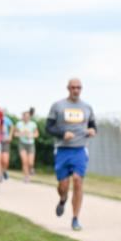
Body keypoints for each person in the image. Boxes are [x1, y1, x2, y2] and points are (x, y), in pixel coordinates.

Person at [46, 78, 96, 231]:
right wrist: (62, 134)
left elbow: (93, 126)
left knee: (78, 180)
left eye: (79, 88)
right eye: (73, 87)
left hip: (79, 149)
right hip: (62, 150)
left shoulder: (87, 107)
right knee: (63, 185)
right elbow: (48, 128)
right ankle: (62, 199)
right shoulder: (58, 106)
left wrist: (92, 131)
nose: (76, 90)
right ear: (68, 88)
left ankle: (75, 218)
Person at [13, 111, 38, 181]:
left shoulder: (33, 124)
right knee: (24, 161)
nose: (26, 118)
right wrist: (21, 134)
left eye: (28, 116)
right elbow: (15, 134)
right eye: (25, 116)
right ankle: (26, 177)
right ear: (23, 117)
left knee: (30, 162)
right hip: (22, 144)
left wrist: (31, 135)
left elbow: (36, 134)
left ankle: (31, 168)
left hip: (31, 144)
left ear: (30, 117)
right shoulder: (19, 124)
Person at [1, 111, 13, 181]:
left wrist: (10, 136)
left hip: (5, 141)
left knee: (5, 160)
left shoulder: (6, 119)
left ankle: (4, 171)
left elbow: (12, 126)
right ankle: (0, 175)